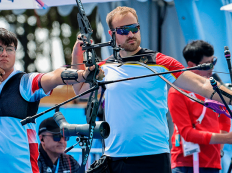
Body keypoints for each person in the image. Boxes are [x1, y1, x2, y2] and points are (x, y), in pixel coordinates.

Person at [72, 6, 232, 173]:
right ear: (112, 35)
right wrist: (77, 53)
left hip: (152, 157)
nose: (131, 34)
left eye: (134, 28)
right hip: (115, 158)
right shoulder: (105, 67)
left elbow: (203, 85)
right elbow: (80, 89)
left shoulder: (160, 61)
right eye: (123, 30)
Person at [0, 28, 101, 173]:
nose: (5, 53)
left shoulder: (25, 82)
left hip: (20, 169)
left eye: (10, 49)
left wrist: (82, 75)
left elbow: (53, 77)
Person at [168, 40, 231, 173]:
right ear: (191, 65)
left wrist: (219, 150)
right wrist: (225, 138)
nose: (212, 68)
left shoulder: (216, 86)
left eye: (214, 62)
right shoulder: (177, 90)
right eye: (208, 64)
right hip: (185, 164)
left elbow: (224, 121)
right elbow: (187, 133)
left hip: (212, 163)